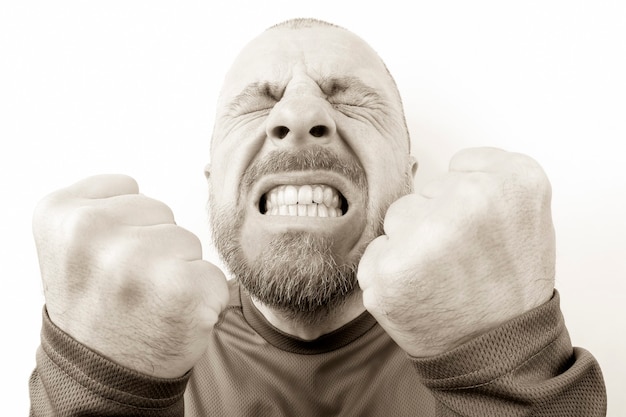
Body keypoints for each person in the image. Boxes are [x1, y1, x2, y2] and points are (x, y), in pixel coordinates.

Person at [29, 18, 606, 416]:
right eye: (258, 100)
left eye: (349, 97)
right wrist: (96, 384)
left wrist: (511, 359)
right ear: (213, 185)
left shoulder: (482, 326)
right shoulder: (138, 347)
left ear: (408, 179)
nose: (299, 114)